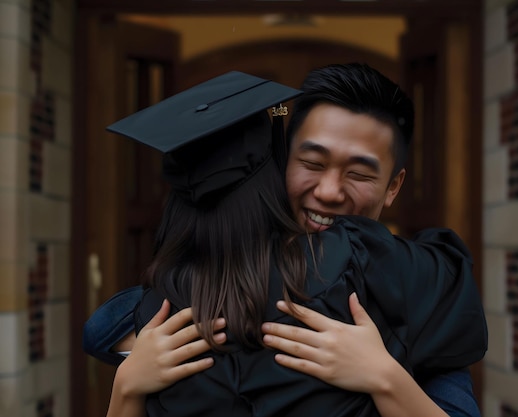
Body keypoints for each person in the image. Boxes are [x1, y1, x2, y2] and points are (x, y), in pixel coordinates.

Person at [86, 65, 487, 416]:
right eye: (312, 163)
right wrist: (127, 383)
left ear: (393, 186)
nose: (329, 192)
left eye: (360, 174)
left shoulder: (408, 300)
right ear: (281, 163)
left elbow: (103, 328)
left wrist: (382, 375)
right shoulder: (414, 282)